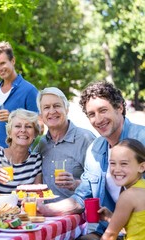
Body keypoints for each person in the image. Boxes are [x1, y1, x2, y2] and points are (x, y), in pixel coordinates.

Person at [37, 81, 145, 239]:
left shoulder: (142, 139)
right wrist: (47, 209)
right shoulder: (95, 149)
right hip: (110, 228)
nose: (98, 119)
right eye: (92, 114)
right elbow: (81, 197)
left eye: (103, 110)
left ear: (120, 108)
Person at [36, 87, 95, 201]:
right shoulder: (41, 143)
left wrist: (76, 184)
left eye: (57, 106)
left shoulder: (85, 139)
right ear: (41, 115)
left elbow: (102, 181)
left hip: (77, 215)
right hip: (45, 214)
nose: (52, 111)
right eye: (46, 107)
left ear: (67, 109)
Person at [0, 109, 42, 194]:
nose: (23, 130)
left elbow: (38, 197)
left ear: (35, 134)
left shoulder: (36, 161)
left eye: (28, 126)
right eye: (17, 126)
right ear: (9, 132)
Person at [99, 138, 145, 240]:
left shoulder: (128, 196)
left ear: (142, 167)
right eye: (112, 163)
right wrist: (111, 218)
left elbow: (110, 236)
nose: (117, 169)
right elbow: (138, 226)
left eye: (124, 164)